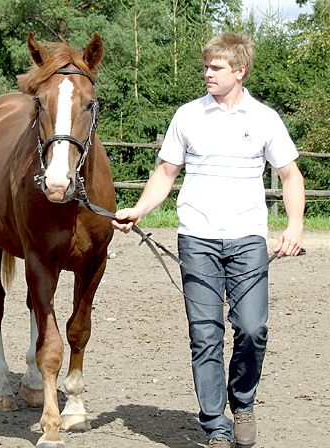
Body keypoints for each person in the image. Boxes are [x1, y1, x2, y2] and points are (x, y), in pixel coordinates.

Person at [112, 32, 305, 447]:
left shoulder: (264, 118)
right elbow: (165, 173)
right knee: (205, 333)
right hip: (196, 239)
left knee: (252, 329)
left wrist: (294, 225)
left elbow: (291, 175)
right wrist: (139, 209)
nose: (207, 74)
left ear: (240, 70)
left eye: (215, 68)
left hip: (248, 239)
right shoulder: (188, 116)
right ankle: (216, 425)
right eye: (205, 67)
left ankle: (244, 402)